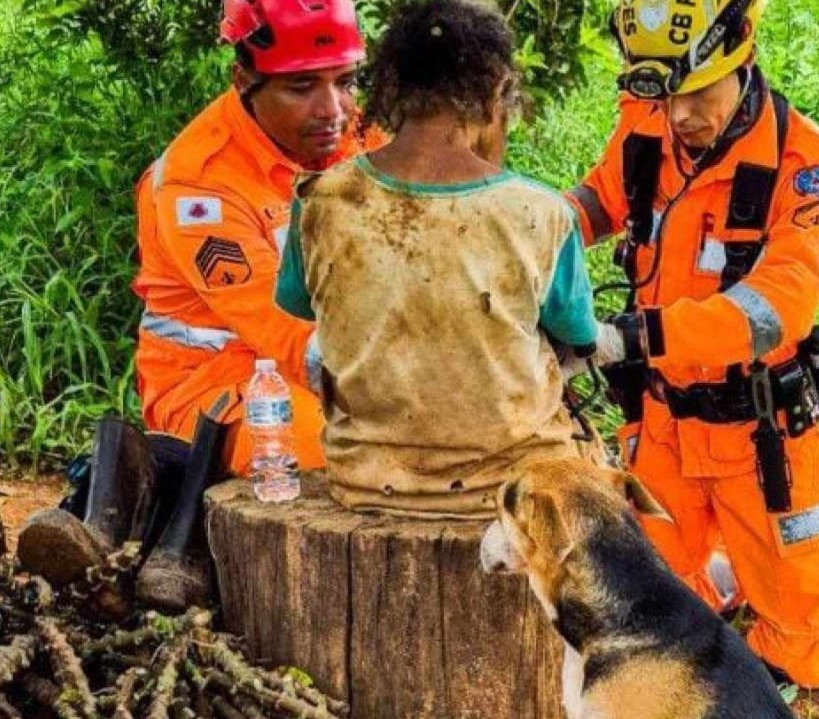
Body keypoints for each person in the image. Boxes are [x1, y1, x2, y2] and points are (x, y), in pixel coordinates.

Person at [567, 0, 819, 688]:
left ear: (743, 59)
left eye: (697, 94)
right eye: (668, 97)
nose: (680, 117)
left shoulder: (807, 172)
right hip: (663, 431)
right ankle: (750, 558)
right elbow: (600, 200)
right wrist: (532, 226)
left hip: (760, 444)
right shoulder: (649, 126)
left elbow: (773, 311)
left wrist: (625, 337)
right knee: (652, 614)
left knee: (802, 654)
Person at [274, 0, 602, 518]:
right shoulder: (539, 213)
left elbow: (299, 304)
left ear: (392, 89)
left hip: (364, 479)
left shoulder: (322, 199)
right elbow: (580, 337)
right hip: (512, 486)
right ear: (495, 90)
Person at [132, 0, 384, 476]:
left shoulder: (359, 134)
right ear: (245, 80)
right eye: (302, 87)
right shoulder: (196, 186)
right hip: (217, 388)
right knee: (342, 452)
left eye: (345, 82)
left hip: (344, 364)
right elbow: (286, 332)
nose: (332, 111)